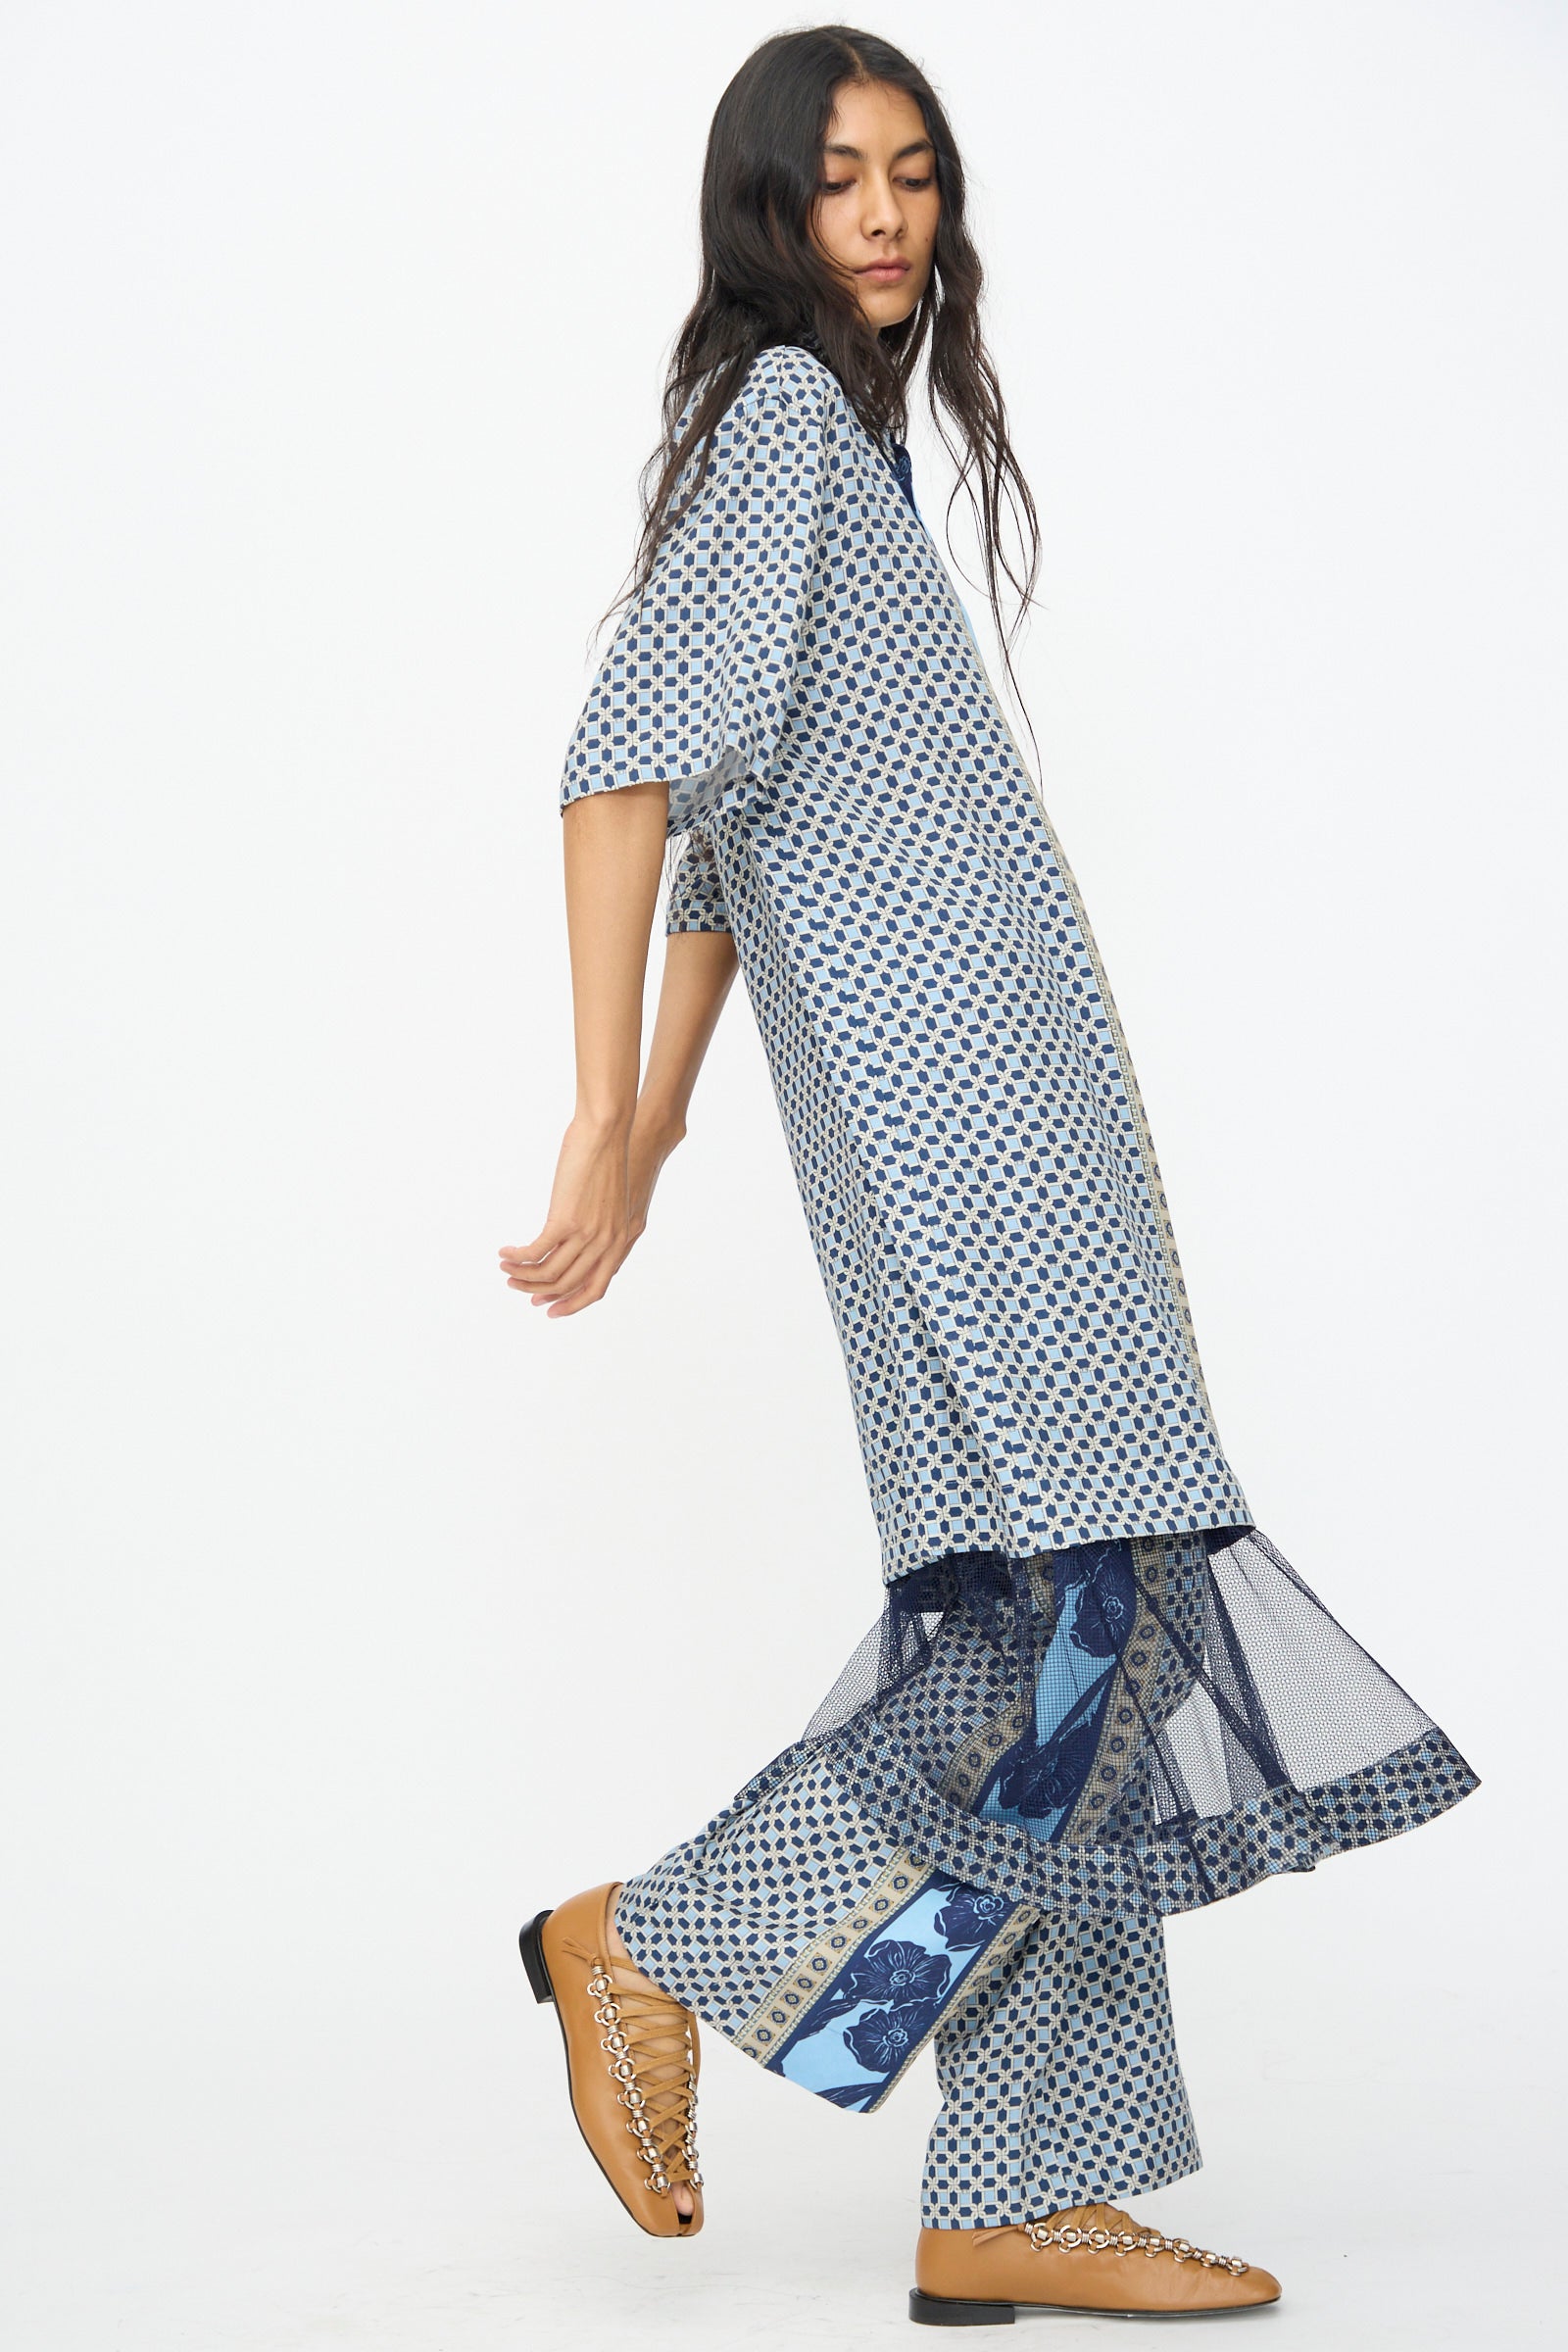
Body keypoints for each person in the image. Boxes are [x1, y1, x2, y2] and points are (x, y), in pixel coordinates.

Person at [502, 25, 1478, 2328]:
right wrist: (591, 1105)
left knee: (1059, 1629)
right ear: (760, 207)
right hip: (967, 1115)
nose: (883, 212)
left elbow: (726, 843)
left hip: (982, 1102)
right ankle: (653, 1944)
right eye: (835, 176)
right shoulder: (777, 438)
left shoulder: (831, 459)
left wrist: (652, 1121)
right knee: (1085, 1609)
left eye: (913, 174)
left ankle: (1020, 2191)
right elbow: (619, 772)